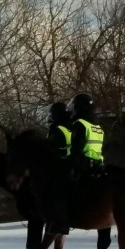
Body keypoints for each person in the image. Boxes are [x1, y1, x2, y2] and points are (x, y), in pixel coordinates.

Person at [44, 101, 73, 236]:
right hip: (75, 163)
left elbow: (50, 151)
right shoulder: (71, 127)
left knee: (56, 192)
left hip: (63, 165)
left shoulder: (57, 130)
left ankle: (61, 223)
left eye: (53, 115)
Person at [67, 93, 104, 179]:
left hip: (83, 169)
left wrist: (67, 164)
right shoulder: (98, 126)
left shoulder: (80, 124)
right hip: (97, 167)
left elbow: (76, 149)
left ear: (78, 107)